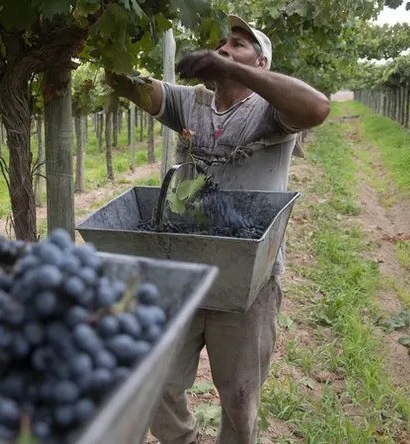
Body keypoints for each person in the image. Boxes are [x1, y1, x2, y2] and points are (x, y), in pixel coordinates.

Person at [106, 15, 330, 444]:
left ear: (261, 64)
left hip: (249, 278)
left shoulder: (273, 111)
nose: (225, 48)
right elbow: (129, 84)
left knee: (239, 400)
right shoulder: (190, 103)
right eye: (222, 45)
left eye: (239, 44)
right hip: (184, 269)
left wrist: (230, 70)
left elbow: (318, 108)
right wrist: (118, 31)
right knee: (156, 381)